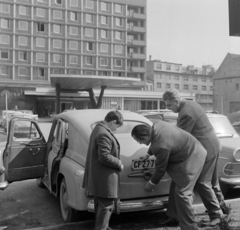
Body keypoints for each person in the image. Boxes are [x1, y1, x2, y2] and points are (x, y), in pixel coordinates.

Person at [163, 89, 227, 225]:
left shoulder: (186, 113)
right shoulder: (191, 104)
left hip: (206, 150)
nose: (168, 108)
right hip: (212, 145)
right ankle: (221, 207)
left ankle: (216, 215)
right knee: (212, 182)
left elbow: (179, 137)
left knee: (202, 182)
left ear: (176, 100)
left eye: (169, 105)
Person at [131, 122, 207, 230]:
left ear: (146, 135)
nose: (139, 143)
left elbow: (160, 169)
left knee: (183, 193)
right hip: (190, 151)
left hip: (193, 157)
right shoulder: (157, 126)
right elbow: (155, 140)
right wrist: (148, 154)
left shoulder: (160, 145)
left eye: (139, 140)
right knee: (174, 187)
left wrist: (151, 183)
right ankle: (173, 217)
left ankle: (190, 227)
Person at [82, 111, 124, 230]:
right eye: (117, 126)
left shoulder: (98, 128)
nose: (116, 129)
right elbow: (104, 156)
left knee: (100, 206)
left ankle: (103, 226)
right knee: (106, 206)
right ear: (113, 122)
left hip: (98, 176)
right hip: (104, 178)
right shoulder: (104, 133)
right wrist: (119, 163)